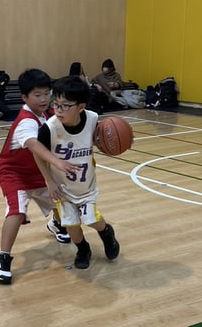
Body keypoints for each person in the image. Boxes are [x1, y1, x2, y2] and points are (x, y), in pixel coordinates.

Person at [0, 68, 81, 285]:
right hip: (15, 173)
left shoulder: (47, 115)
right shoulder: (26, 121)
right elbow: (33, 145)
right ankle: (2, 259)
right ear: (24, 97)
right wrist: (56, 165)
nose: (43, 99)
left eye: (47, 93)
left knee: (62, 201)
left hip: (38, 172)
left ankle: (56, 224)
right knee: (16, 211)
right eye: (37, 95)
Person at [34, 75, 120, 270]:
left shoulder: (93, 120)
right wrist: (49, 182)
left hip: (86, 185)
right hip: (62, 188)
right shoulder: (49, 128)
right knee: (71, 225)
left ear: (81, 107)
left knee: (91, 219)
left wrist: (113, 143)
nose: (58, 110)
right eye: (56, 104)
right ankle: (83, 249)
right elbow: (38, 154)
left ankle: (106, 232)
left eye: (65, 106)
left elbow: (102, 140)